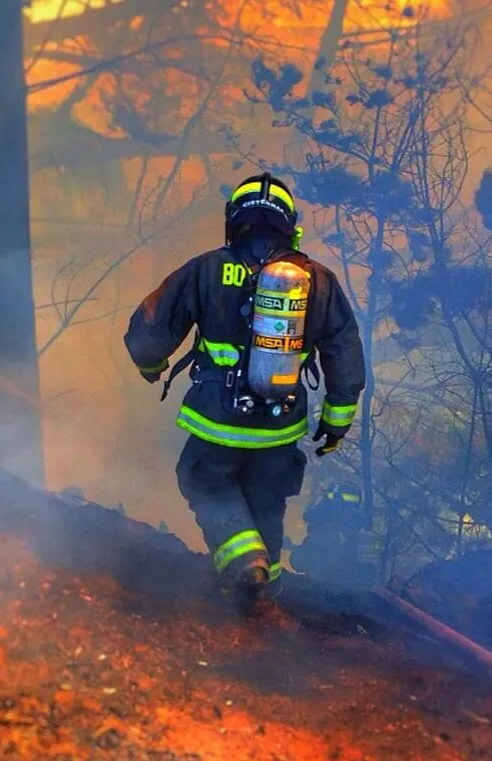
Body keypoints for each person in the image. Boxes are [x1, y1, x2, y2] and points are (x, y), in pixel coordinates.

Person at [123, 172, 366, 602]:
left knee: (203, 481)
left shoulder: (209, 268)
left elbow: (150, 333)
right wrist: (336, 421)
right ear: (290, 225)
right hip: (281, 425)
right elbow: (344, 350)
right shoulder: (318, 280)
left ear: (234, 220)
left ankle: (244, 566)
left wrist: (152, 366)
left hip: (217, 420)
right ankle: (263, 597)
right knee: (266, 503)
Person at [288, 481, 377, 588]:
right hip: (351, 595)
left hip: (325, 594)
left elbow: (300, 562)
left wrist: (294, 550)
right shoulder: (359, 534)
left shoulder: (327, 532)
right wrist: (291, 546)